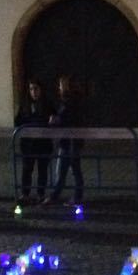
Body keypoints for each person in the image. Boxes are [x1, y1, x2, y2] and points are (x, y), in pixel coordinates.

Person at [42, 75, 84, 205]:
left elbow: (68, 119)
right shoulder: (71, 101)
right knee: (67, 170)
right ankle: (60, 195)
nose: (59, 88)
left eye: (60, 85)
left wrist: (56, 120)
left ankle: (73, 197)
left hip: (70, 141)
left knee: (70, 170)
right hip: (69, 141)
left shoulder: (69, 102)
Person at [14, 78, 53, 204]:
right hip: (28, 144)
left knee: (42, 170)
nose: (33, 92)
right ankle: (25, 194)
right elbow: (18, 120)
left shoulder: (48, 104)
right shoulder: (25, 104)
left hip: (43, 143)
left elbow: (52, 119)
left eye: (36, 89)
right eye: (31, 89)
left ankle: (40, 194)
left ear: (41, 90)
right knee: (27, 169)